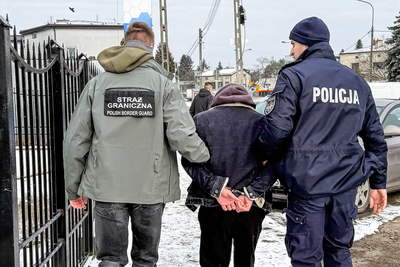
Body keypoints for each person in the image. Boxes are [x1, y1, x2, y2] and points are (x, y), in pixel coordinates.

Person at [63, 21, 210, 267]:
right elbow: (181, 136)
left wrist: (73, 188)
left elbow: (76, 140)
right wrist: (207, 156)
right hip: (150, 187)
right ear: (150, 48)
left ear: (125, 44)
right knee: (145, 259)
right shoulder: (163, 85)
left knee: (110, 259)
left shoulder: (97, 85)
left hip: (106, 186)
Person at [259, 17, 388, 267]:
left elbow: (277, 128)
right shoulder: (357, 82)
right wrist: (378, 182)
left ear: (306, 44)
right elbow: (375, 137)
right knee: (339, 253)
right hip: (345, 187)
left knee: (306, 258)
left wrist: (262, 153)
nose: (291, 50)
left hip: (307, 186)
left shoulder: (294, 75)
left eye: (293, 43)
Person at [182, 83, 277, 267]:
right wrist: (251, 193)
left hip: (213, 205)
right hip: (250, 207)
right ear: (249, 101)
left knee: (213, 262)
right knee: (245, 261)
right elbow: (274, 165)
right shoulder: (263, 122)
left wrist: (217, 188)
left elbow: (189, 161)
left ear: (217, 100)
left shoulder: (201, 120)